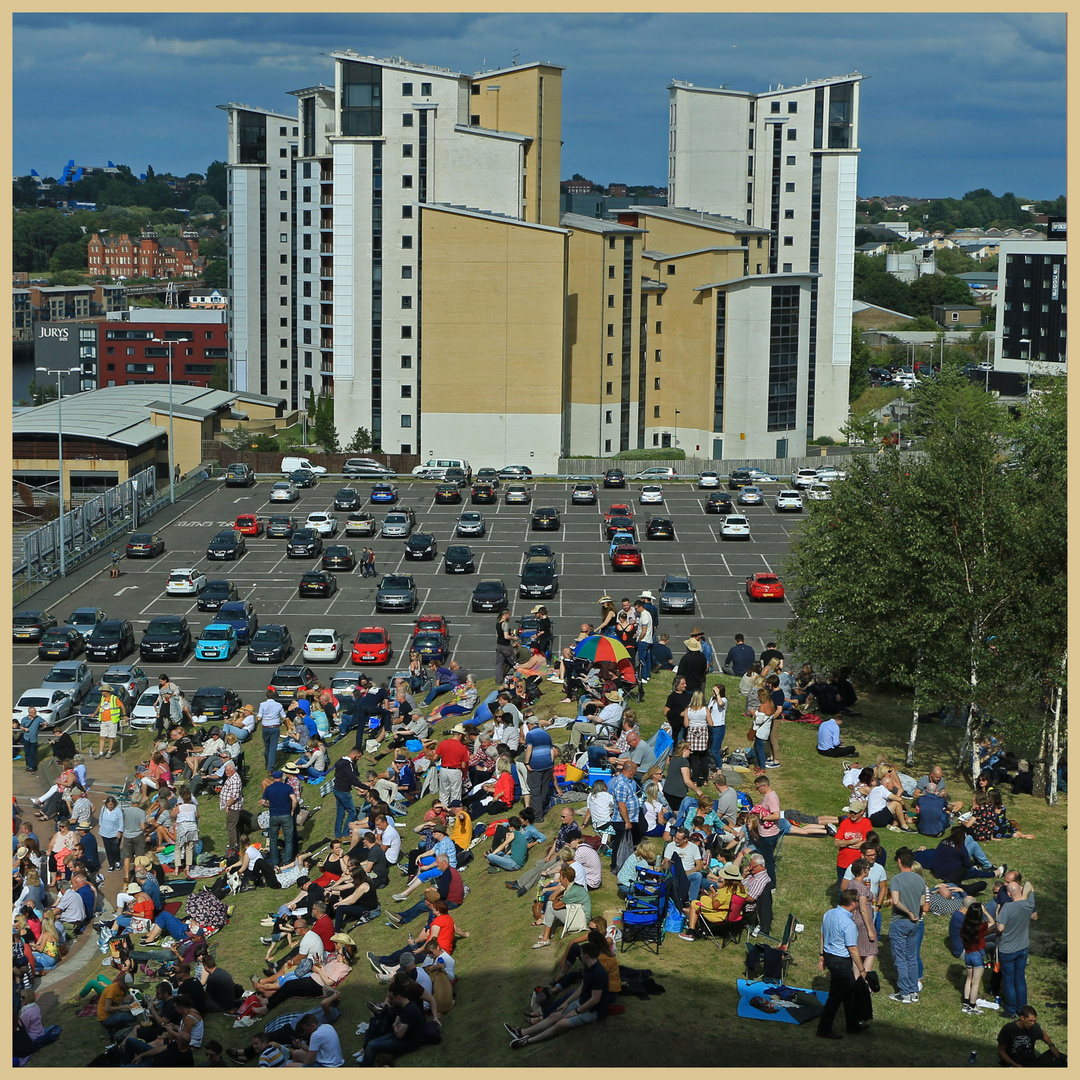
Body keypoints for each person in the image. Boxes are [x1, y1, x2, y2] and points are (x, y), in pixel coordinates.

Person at [507, 938, 610, 1047]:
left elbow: (595, 1000)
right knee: (554, 1016)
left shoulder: (598, 973)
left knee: (560, 1024)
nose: (580, 955)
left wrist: (576, 1011)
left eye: (581, 953)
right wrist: (566, 1002)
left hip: (594, 1012)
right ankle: (522, 1032)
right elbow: (582, 987)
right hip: (581, 1003)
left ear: (586, 955)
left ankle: (527, 1041)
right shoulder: (589, 968)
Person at [815, 889, 869, 1040]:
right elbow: (852, 948)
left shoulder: (829, 913)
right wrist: (862, 969)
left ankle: (852, 1024)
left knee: (849, 992)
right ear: (853, 904)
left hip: (830, 956)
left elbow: (822, 934)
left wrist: (822, 955)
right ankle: (824, 1029)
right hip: (840, 960)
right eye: (857, 902)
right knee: (835, 997)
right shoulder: (848, 924)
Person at [888, 847, 927, 1004]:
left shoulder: (896, 879)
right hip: (914, 924)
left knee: (900, 958)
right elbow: (923, 902)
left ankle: (904, 993)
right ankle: (913, 991)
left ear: (899, 861)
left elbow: (896, 901)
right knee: (911, 957)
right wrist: (915, 912)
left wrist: (908, 912)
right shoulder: (920, 880)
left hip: (900, 921)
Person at [995, 879, 1037, 1019]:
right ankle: (1022, 1008)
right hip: (1023, 946)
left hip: (1007, 949)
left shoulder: (1007, 907)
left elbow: (1000, 928)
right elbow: (1030, 888)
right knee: (1020, 978)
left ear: (1008, 893)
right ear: (1020, 890)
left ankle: (1011, 1010)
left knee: (1008, 980)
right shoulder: (1029, 904)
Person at [997, 1006, 1067, 1068]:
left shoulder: (1034, 1027)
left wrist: (1051, 1045)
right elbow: (1001, 1051)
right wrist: (1015, 1065)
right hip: (1013, 1063)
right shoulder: (1009, 1029)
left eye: (1034, 1021)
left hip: (1031, 1063)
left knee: (1059, 1059)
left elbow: (1042, 1034)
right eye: (1030, 1021)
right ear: (1022, 1018)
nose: (1032, 1023)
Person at [834, 798, 872, 899]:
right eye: (851, 812)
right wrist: (850, 842)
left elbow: (864, 844)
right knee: (842, 889)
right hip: (842, 862)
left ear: (862, 812)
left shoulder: (866, 823)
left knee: (857, 890)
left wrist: (845, 844)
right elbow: (836, 842)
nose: (852, 815)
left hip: (857, 864)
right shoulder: (845, 823)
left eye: (855, 812)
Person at [523, 716, 555, 822]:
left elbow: (529, 748)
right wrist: (551, 762)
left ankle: (538, 815)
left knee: (535, 790)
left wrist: (527, 762)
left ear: (530, 724)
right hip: (547, 763)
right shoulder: (546, 734)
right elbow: (551, 750)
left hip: (535, 765)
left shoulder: (530, 735)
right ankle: (542, 807)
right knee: (544, 787)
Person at [662, 827, 706, 905]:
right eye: (675, 837)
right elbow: (666, 863)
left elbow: (699, 866)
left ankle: (691, 901)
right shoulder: (670, 846)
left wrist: (687, 873)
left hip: (689, 873)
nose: (676, 840)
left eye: (678, 839)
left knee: (698, 875)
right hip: (675, 873)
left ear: (685, 839)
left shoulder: (693, 847)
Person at [95, 684, 127, 760]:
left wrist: (125, 715)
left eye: (103, 691)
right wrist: (94, 714)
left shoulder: (114, 698)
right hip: (103, 720)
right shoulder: (103, 698)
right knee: (102, 737)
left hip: (112, 720)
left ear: (106, 691)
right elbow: (99, 706)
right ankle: (101, 752)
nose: (102, 692)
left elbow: (122, 706)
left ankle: (109, 752)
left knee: (111, 737)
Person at [258, 689, 287, 773]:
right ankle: (270, 768)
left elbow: (259, 717)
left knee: (267, 746)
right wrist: (281, 722)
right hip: (275, 727)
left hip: (266, 727)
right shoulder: (279, 705)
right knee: (273, 748)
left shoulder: (262, 705)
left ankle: (267, 763)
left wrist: (259, 721)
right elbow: (284, 717)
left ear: (266, 696)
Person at [676, 630, 709, 695]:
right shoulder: (702, 657)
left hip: (687, 685)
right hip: (697, 684)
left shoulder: (685, 658)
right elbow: (704, 670)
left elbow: (680, 673)